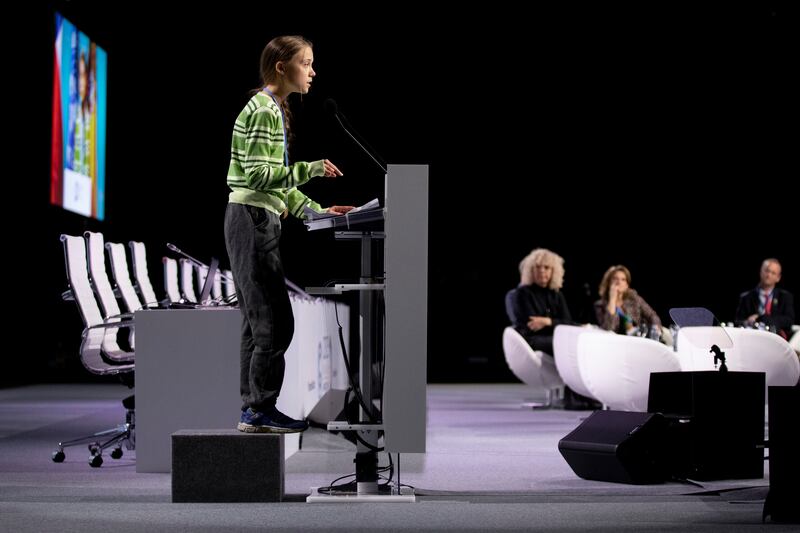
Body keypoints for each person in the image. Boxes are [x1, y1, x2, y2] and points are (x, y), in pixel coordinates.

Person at [224, 35, 354, 433]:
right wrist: (310, 169)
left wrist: (315, 210)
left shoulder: (272, 108)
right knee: (274, 323)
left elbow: (272, 184)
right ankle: (258, 409)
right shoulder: (264, 109)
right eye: (306, 63)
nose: (312, 72)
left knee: (258, 321)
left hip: (255, 216)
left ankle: (253, 409)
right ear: (281, 66)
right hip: (252, 219)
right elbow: (260, 176)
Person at [508, 248, 573, 355]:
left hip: (554, 337)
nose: (542, 271)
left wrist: (548, 321)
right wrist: (556, 322)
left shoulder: (557, 294)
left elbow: (568, 322)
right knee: (564, 343)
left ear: (554, 271)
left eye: (546, 267)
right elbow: (532, 325)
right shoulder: (522, 293)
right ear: (530, 270)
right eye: (537, 267)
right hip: (530, 340)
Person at [594, 265, 664, 340]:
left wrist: (656, 328)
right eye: (615, 278)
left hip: (639, 339)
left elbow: (652, 315)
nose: (619, 282)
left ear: (627, 285)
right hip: (616, 342)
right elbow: (609, 328)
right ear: (609, 282)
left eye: (623, 279)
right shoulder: (600, 305)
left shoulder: (634, 299)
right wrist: (612, 299)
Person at [735, 258, 795, 339]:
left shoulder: (785, 297)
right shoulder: (746, 297)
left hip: (777, 338)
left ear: (778, 277)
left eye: (773, 273)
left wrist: (762, 318)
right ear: (761, 271)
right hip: (752, 337)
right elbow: (737, 321)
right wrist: (747, 321)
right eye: (767, 271)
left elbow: (789, 320)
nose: (768, 275)